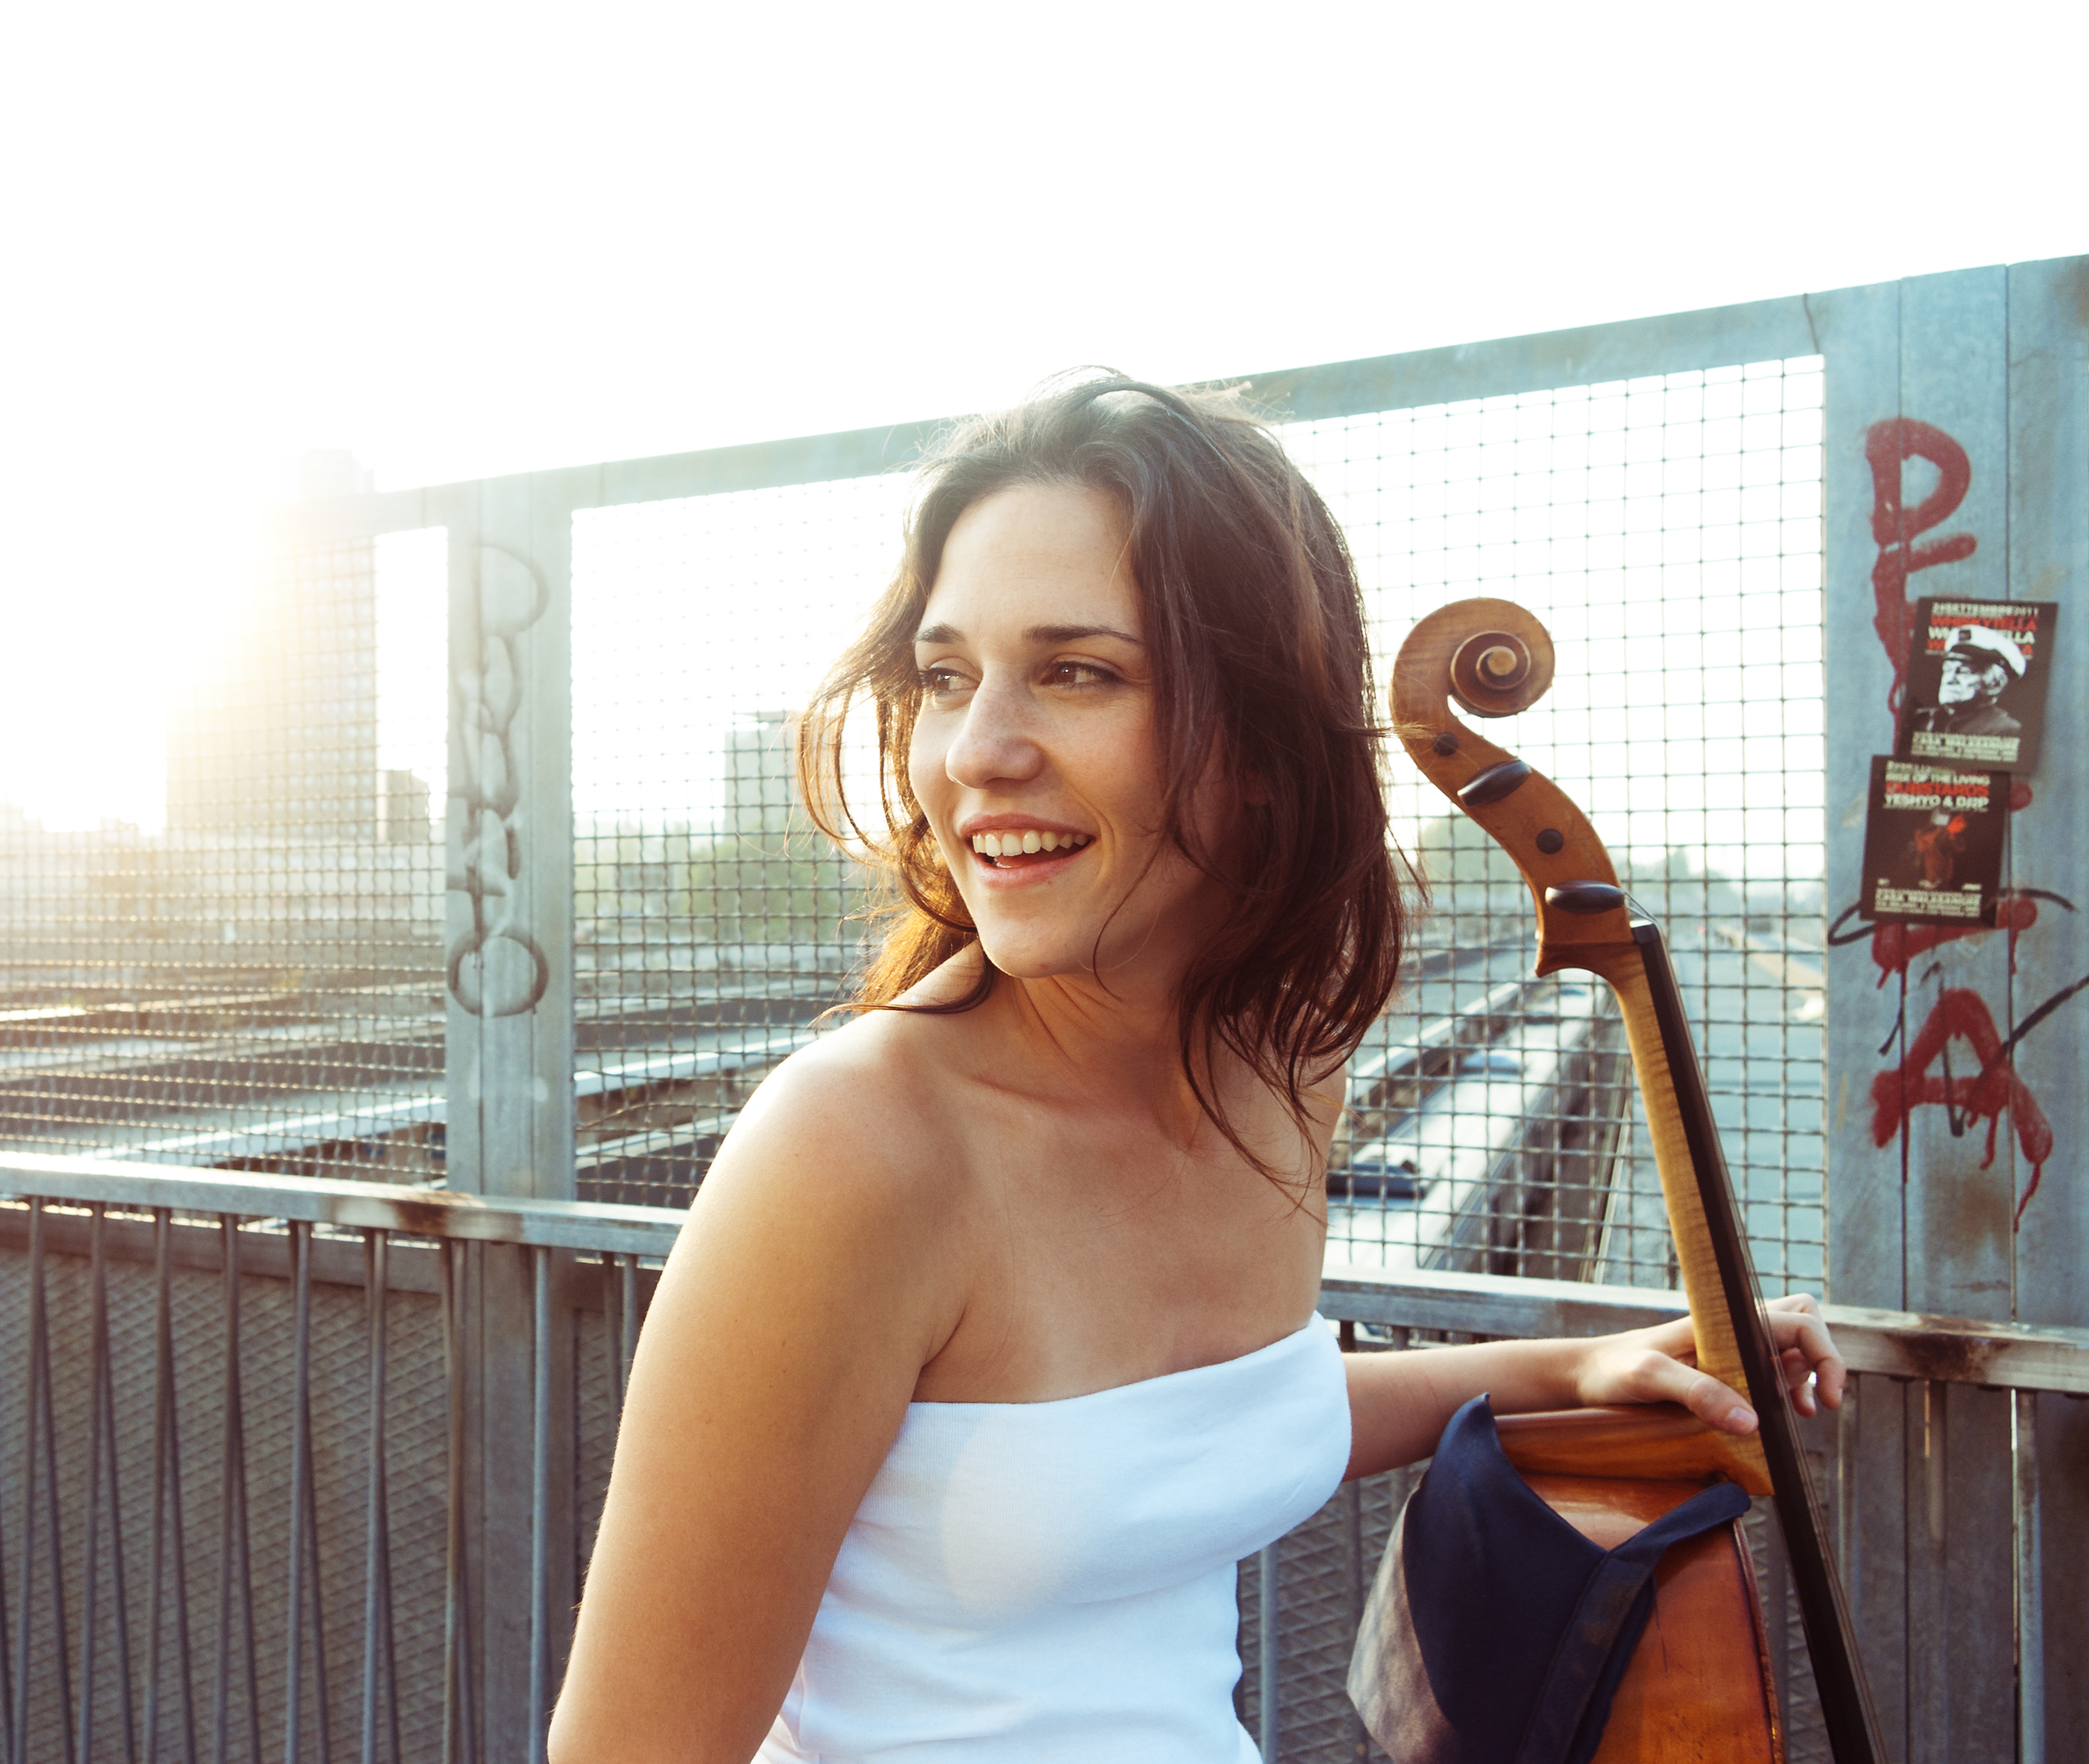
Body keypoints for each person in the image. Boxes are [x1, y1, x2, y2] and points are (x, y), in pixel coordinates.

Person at [550, 377, 1843, 1764]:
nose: (975, 749)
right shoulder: (856, 1147)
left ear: (1266, 746)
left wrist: (1573, 1363)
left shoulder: (1278, 1077)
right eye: (943, 675)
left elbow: (1205, 1428)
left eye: (1076, 671)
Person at [1913, 624, 2025, 740]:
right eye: (1948, 669)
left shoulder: (2005, 730)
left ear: (1996, 684)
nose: (1949, 678)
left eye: (1964, 671)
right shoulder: (1919, 719)